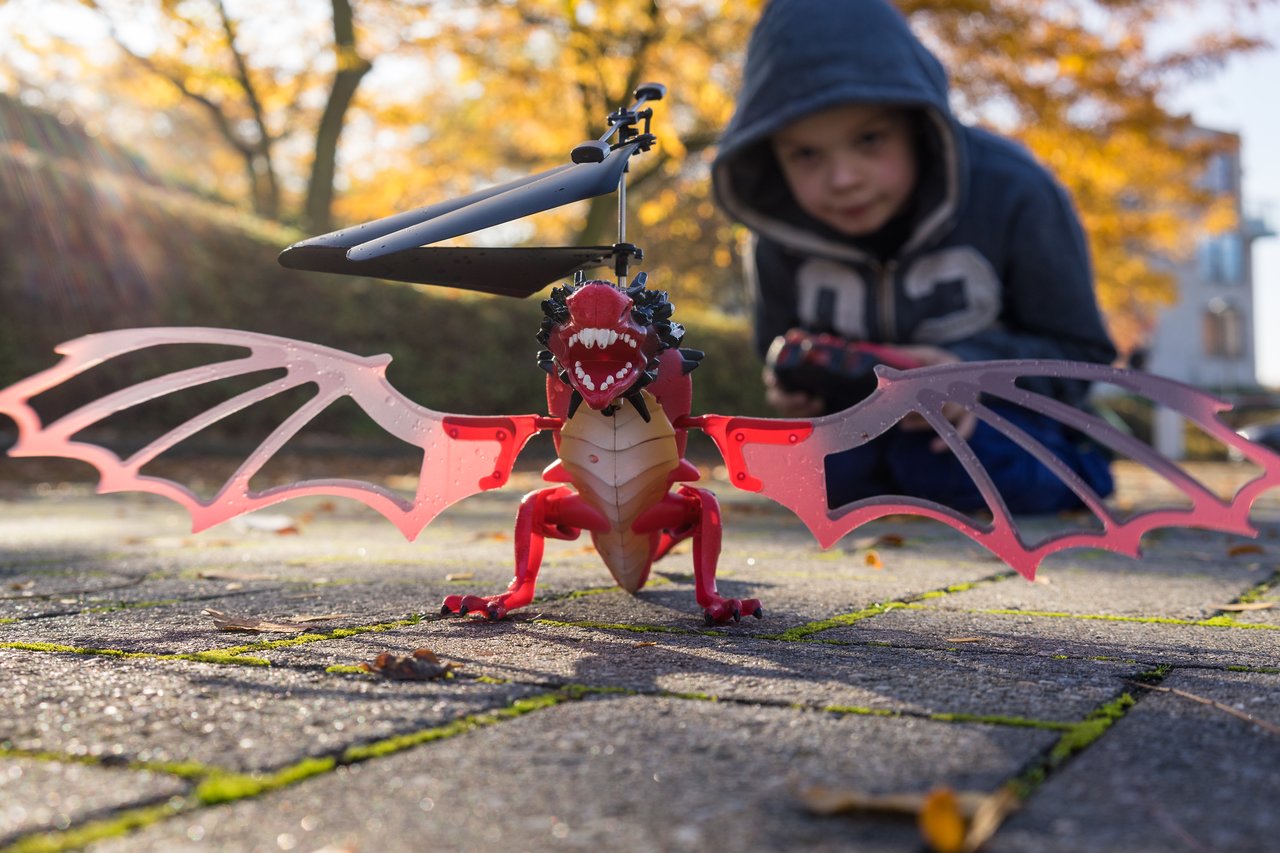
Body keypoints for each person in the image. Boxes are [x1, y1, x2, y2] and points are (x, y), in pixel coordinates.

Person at [711, 0, 1117, 513]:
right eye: (806, 154)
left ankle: (1085, 471)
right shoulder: (776, 229)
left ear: (918, 127)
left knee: (948, 465)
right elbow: (778, 344)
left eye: (870, 139)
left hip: (996, 421)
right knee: (804, 477)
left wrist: (968, 371)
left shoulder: (1017, 191)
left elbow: (1082, 355)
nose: (843, 179)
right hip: (856, 429)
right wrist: (797, 391)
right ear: (771, 155)